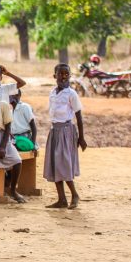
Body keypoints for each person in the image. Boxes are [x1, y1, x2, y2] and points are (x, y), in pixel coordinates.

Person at [44, 63, 87, 210]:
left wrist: (81, 138)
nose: (63, 76)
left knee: (64, 164)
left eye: (66, 74)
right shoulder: (52, 93)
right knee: (55, 165)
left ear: (69, 76)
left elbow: (79, 116)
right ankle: (61, 199)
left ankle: (74, 194)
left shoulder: (71, 94)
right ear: (54, 75)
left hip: (66, 131)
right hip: (55, 130)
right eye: (60, 73)